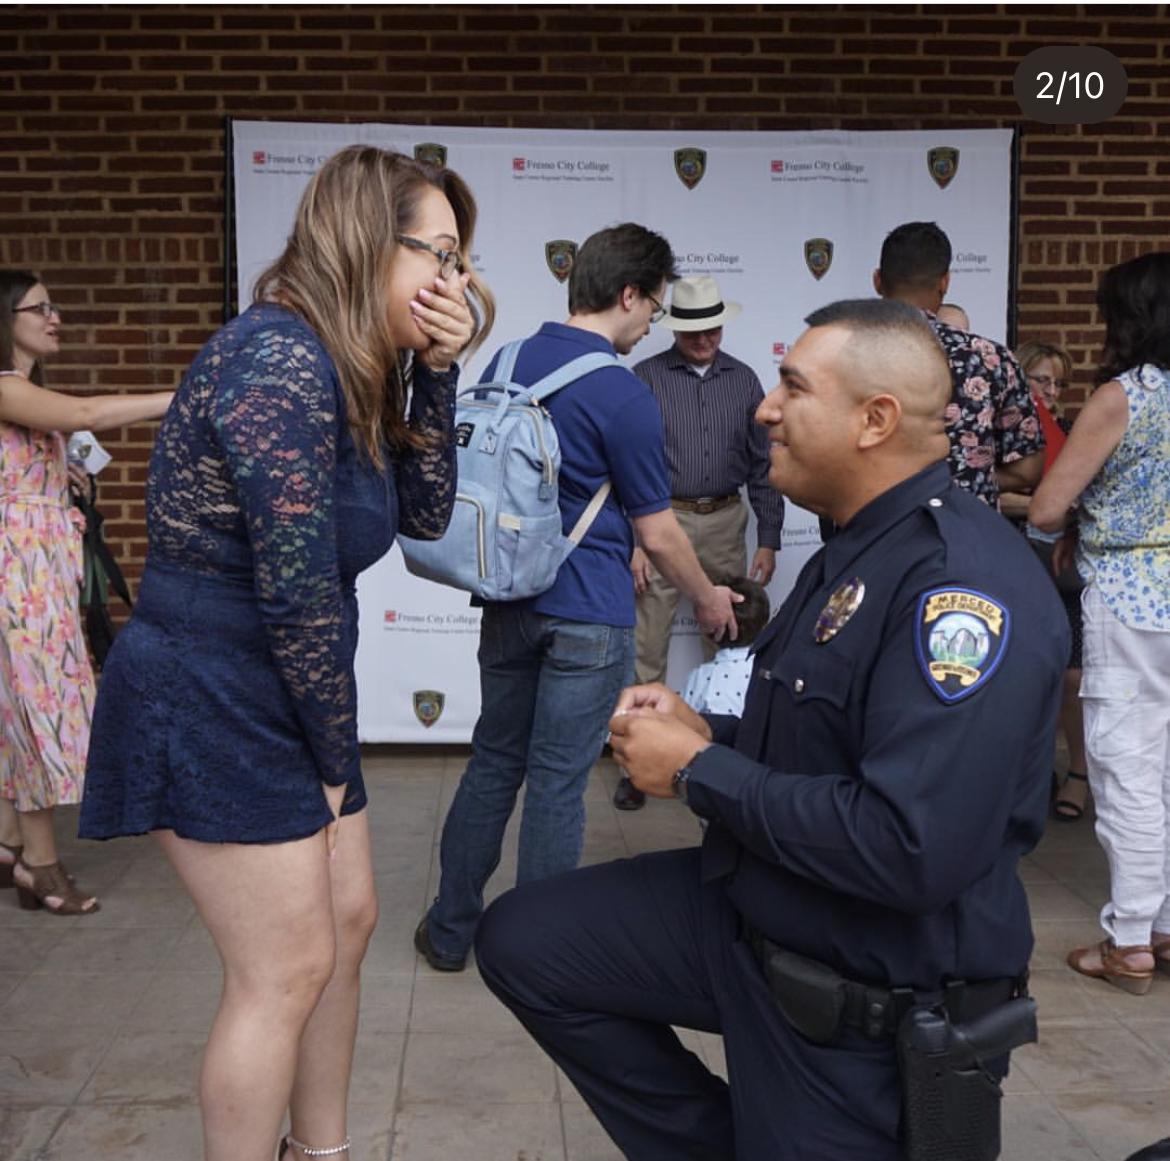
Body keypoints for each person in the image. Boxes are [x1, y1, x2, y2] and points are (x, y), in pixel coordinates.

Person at [474, 298, 1069, 1160]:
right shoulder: (858, 543)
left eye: (792, 385)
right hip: (761, 915)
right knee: (527, 940)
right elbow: (818, 720)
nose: (764, 406)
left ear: (876, 420)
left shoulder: (964, 591)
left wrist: (696, 772)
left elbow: (907, 844)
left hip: (863, 994)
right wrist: (707, 726)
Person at [79, 146, 493, 1161]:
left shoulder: (349, 367)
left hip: (278, 678)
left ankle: (323, 1151)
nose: (457, 283)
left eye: (462, 260)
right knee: (285, 967)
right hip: (211, 686)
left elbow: (425, 514)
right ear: (363, 240)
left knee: (348, 922)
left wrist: (437, 374)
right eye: (437, 254)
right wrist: (327, 764)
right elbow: (297, 589)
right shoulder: (277, 358)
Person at [416, 224, 739, 973]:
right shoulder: (623, 393)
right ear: (628, 294)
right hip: (588, 609)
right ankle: (540, 953)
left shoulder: (507, 358)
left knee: (493, 762)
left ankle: (449, 928)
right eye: (654, 309)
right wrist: (708, 596)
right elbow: (658, 533)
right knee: (558, 781)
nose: (650, 324)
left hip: (507, 598)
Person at [0, 269, 173, 915]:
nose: (56, 318)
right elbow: (86, 413)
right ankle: (40, 868)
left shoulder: (21, 391)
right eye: (41, 308)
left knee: (15, 707)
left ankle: (10, 843)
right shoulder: (6, 386)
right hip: (17, 576)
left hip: (33, 570)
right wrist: (183, 396)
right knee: (36, 707)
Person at [1031, 252, 1170, 997]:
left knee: (1128, 769)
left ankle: (1130, 943)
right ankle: (1166, 927)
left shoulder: (1124, 397)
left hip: (1133, 596)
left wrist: (1086, 515)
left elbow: (1050, 504)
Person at [628, 274, 782, 686]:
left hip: (725, 521)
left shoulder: (745, 380)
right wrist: (634, 541)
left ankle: (722, 733)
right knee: (647, 637)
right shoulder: (644, 379)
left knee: (728, 628)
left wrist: (768, 538)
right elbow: (625, 464)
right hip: (661, 521)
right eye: (693, 330)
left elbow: (763, 463)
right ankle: (646, 736)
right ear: (676, 327)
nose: (703, 339)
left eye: (711, 329)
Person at [874, 221, 1045, 507]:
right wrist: (967, 476)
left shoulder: (840, 353)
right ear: (945, 283)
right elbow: (1028, 469)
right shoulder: (989, 358)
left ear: (878, 280)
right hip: (964, 535)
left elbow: (808, 463)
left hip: (873, 536)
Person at [1000, 341, 1089, 821]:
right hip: (1018, 565)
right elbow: (986, 496)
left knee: (1073, 676)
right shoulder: (1004, 434)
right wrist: (1033, 502)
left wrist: (1031, 499)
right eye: (1042, 381)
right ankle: (1030, 776)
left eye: (1059, 383)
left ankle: (1077, 773)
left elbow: (1079, 504)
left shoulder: (1075, 433)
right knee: (1025, 676)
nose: (1052, 392)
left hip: (1065, 568)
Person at [679, 575, 769, 717]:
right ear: (765, 625)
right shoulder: (768, 675)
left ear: (708, 629)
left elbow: (685, 721)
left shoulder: (699, 677)